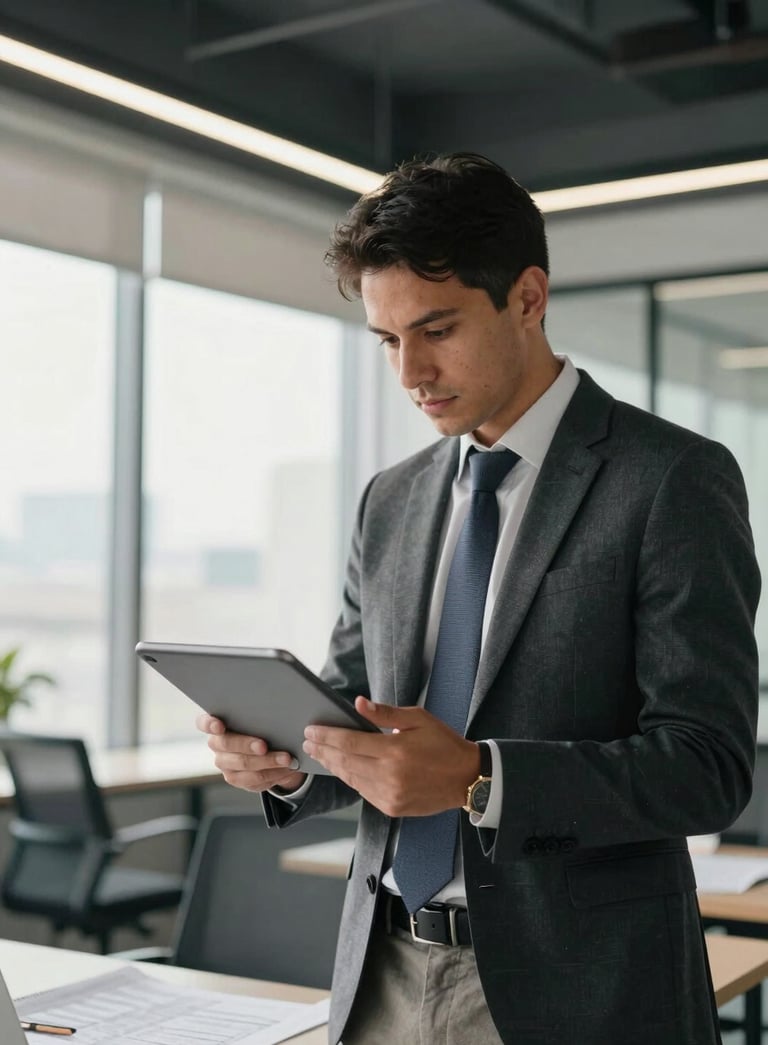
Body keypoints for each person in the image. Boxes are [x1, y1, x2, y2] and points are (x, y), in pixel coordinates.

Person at [198, 153, 761, 1045]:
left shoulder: (672, 480)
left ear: (529, 297)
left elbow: (709, 764)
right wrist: (292, 761)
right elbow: (357, 701)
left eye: (437, 328)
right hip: (379, 970)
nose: (411, 371)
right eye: (388, 341)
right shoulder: (391, 498)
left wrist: (480, 777)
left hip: (577, 990)